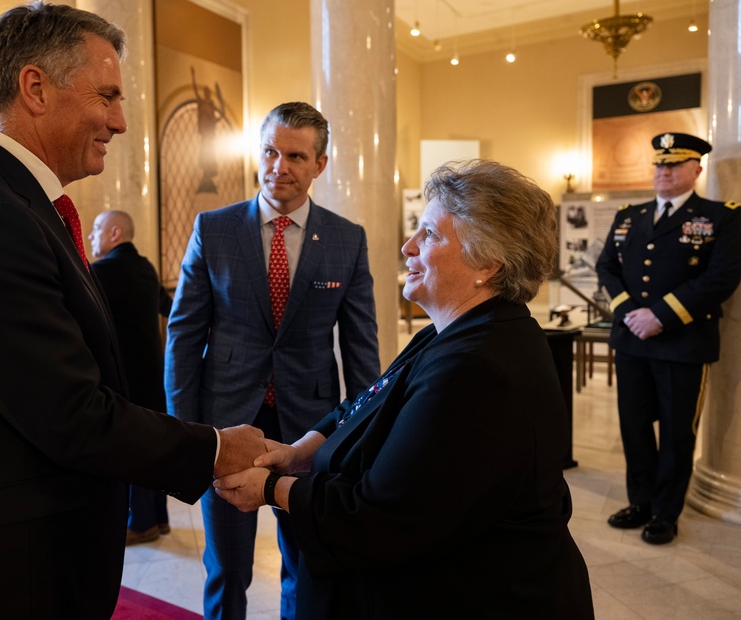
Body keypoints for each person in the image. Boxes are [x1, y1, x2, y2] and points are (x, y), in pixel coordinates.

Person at [0, 2, 265, 619]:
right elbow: (70, 413)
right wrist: (215, 448)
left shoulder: (14, 204)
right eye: (107, 96)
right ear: (35, 88)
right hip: (6, 566)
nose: (120, 122)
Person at [214, 160, 595, 619]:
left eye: (430, 235)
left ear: (487, 262)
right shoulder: (451, 331)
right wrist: (306, 450)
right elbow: (368, 402)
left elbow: (379, 519)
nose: (407, 245)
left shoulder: (477, 370)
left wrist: (271, 488)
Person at [165, 101, 380, 620]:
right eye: (269, 151)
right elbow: (184, 333)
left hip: (306, 426)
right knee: (227, 567)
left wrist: (366, 434)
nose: (279, 166)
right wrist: (182, 430)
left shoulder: (347, 239)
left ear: (320, 164)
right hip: (225, 420)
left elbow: (360, 345)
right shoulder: (213, 229)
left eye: (296, 156)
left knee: (304, 563)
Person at [597, 132, 741, 545]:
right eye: (659, 164)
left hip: (683, 342)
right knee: (635, 426)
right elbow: (607, 267)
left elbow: (721, 278)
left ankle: (665, 512)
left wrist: (659, 316)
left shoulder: (722, 216)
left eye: (674, 164)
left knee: (678, 433)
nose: (664, 172)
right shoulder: (630, 215)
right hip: (632, 342)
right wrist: (629, 314)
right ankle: (639, 501)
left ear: (696, 170)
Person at [88, 209, 174, 545]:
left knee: (133, 448)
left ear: (114, 233)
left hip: (122, 380)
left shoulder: (102, 271)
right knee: (156, 446)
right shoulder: (146, 268)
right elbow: (171, 309)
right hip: (154, 374)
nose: (91, 236)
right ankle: (160, 518)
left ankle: (142, 523)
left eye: (96, 229)